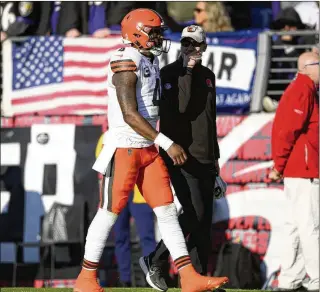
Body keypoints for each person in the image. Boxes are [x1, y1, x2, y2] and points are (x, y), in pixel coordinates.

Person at [73, 9, 228, 292]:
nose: (158, 37)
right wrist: (166, 141)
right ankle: (86, 278)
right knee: (108, 213)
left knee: (168, 212)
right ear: (137, 32)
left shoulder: (149, 58)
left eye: (158, 31)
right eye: (153, 32)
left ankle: (188, 276)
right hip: (124, 148)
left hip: (147, 149)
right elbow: (130, 114)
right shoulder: (125, 58)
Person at [139, 25, 225, 291]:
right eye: (186, 43)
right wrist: (187, 70)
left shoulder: (209, 75)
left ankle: (198, 279)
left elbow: (210, 122)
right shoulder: (170, 74)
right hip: (180, 156)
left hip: (206, 158)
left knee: (203, 226)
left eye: (196, 44)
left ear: (204, 46)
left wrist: (217, 161)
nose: (191, 48)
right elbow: (182, 108)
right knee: (191, 215)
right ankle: (156, 258)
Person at [269, 52, 319, 292]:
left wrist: (280, 165)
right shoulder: (303, 90)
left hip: (298, 170)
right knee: (310, 225)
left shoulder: (303, 89)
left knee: (294, 225)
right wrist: (278, 165)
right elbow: (287, 132)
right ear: (309, 67)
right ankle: (317, 278)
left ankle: (290, 279)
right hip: (304, 171)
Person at [114, 186, 156, 287]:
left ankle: (151, 278)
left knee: (147, 237)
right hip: (118, 189)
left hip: (139, 188)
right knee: (120, 238)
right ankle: (124, 280)